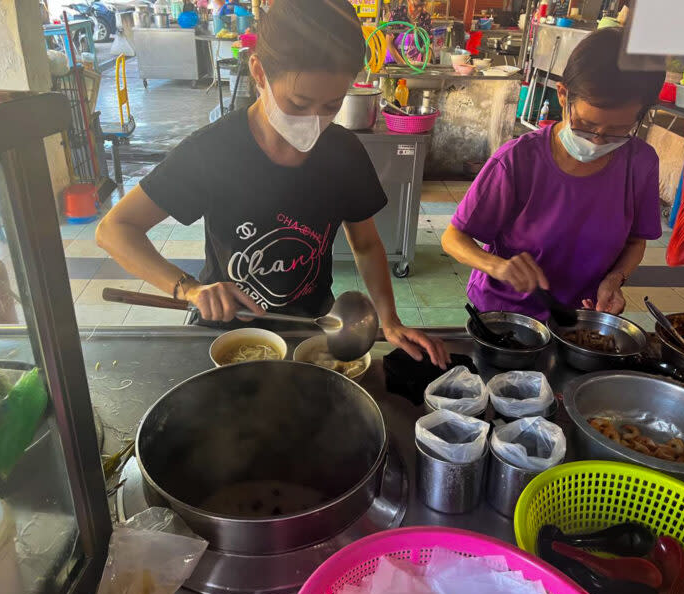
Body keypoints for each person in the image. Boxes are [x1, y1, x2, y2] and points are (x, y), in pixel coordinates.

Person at [96, 0, 448, 367]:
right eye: (298, 103)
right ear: (260, 73)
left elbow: (366, 243)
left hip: (312, 329)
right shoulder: (212, 151)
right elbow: (114, 229)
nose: (314, 121)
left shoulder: (344, 152)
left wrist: (389, 319)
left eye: (332, 104)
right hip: (229, 334)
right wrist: (189, 288)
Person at [441, 28, 665, 319]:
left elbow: (636, 241)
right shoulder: (518, 161)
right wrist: (498, 266)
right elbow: (453, 238)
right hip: (506, 316)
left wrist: (614, 280)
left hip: (582, 318)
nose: (598, 139)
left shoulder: (640, 164)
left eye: (619, 131)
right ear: (563, 95)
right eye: (585, 123)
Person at [385, 0, 432, 65]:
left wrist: (424, 66)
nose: (420, 9)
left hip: (414, 65)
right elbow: (388, 42)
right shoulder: (397, 14)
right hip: (393, 62)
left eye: (422, 6)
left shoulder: (425, 17)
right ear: (408, 1)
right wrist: (402, 64)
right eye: (415, 6)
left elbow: (428, 45)